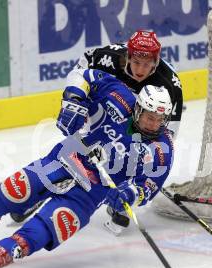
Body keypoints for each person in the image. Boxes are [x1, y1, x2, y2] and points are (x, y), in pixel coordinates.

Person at [0, 69, 174, 268]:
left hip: (90, 192)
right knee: (6, 193)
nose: (153, 123)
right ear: (138, 108)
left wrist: (129, 194)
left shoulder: (163, 148)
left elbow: (149, 186)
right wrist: (73, 101)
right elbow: (84, 75)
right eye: (149, 116)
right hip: (63, 161)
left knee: (45, 227)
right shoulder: (119, 95)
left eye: (159, 119)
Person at [10, 30, 183, 232]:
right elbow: (80, 72)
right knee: (79, 151)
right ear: (128, 55)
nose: (140, 69)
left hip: (141, 120)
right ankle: (50, 186)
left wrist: (142, 177)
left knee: (130, 156)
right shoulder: (107, 56)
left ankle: (122, 197)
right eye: (136, 62)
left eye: (147, 64)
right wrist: (76, 102)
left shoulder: (169, 84)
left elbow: (167, 134)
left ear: (155, 61)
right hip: (104, 106)